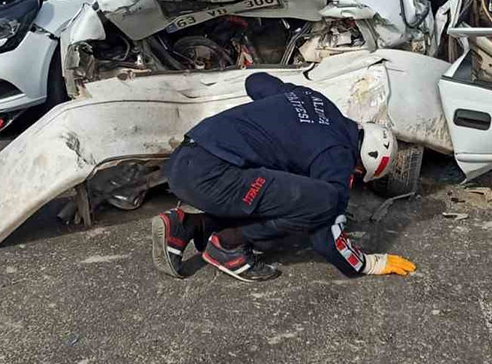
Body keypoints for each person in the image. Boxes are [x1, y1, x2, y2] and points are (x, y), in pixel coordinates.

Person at [152, 72, 417, 283]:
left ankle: (187, 226)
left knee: (280, 191)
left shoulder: (315, 100)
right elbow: (326, 234)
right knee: (322, 202)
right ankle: (227, 246)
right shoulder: (338, 157)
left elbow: (256, 82)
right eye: (358, 173)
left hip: (184, 159)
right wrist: (368, 263)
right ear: (362, 164)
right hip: (211, 176)